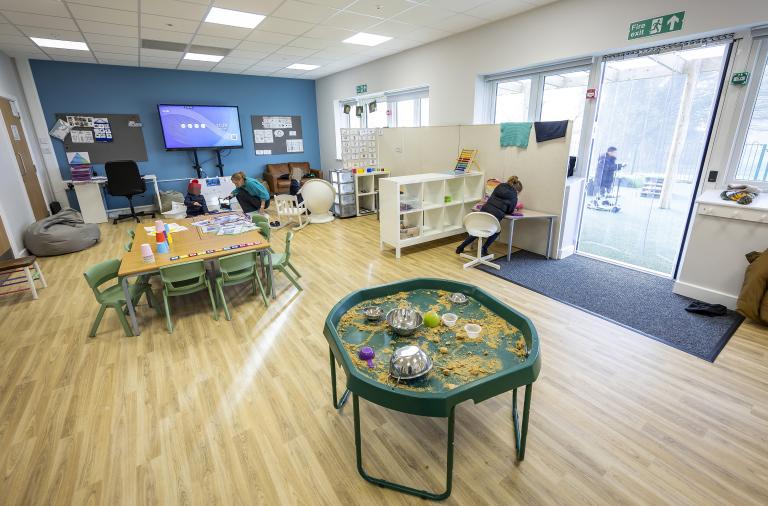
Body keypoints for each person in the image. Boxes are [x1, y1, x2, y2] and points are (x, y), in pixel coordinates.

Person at [456, 176, 523, 257]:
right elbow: (509, 211)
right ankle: (484, 248)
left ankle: (461, 247)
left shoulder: (499, 186)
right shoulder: (514, 196)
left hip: (484, 211)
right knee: (497, 231)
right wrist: (514, 209)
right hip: (494, 217)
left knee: (478, 228)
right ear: (517, 191)